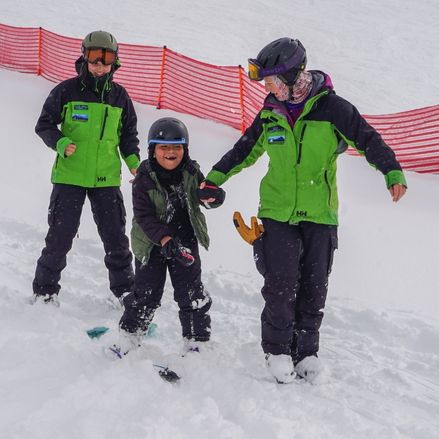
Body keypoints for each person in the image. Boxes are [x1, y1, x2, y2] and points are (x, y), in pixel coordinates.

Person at [198, 37, 407, 384]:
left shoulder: (333, 109)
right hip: (277, 212)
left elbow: (367, 138)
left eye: (272, 80)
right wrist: (215, 179)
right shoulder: (270, 113)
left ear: (294, 76)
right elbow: (244, 150)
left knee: (313, 287)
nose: (267, 87)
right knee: (280, 285)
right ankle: (278, 349)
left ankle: (306, 352)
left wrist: (392, 170)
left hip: (320, 214)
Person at [32, 30, 140, 306]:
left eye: (106, 59)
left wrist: (134, 165)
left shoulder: (119, 97)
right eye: (94, 58)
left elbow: (128, 136)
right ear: (84, 56)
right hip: (70, 176)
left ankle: (124, 292)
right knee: (60, 236)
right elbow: (44, 124)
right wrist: (60, 142)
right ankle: (45, 291)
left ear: (115, 62)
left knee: (116, 239)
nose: (99, 65)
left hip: (106, 179)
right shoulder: (66, 91)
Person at [113, 117, 224, 355]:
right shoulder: (144, 177)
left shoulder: (192, 171)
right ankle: (130, 336)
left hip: (185, 241)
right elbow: (143, 216)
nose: (170, 152)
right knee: (146, 294)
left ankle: (197, 341)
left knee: (192, 292)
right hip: (151, 244)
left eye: (176, 147)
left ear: (185, 149)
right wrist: (165, 240)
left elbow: (202, 197)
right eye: (164, 147)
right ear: (153, 151)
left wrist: (214, 198)